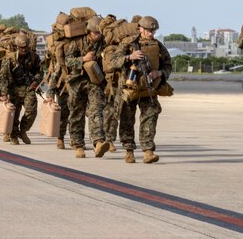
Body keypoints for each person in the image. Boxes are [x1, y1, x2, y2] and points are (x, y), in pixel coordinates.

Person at [116, 15, 172, 164]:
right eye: (148, 31)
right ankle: (129, 150)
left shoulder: (158, 45)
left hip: (149, 88)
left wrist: (159, 73)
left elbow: (168, 64)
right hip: (130, 87)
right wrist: (129, 57)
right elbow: (112, 62)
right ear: (140, 28)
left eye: (153, 31)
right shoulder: (128, 43)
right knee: (127, 119)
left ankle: (148, 151)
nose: (151, 34)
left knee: (150, 117)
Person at [60, 16, 111, 158]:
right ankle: (78, 145)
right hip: (77, 81)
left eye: (99, 33)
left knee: (96, 110)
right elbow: (68, 61)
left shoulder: (104, 43)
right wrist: (83, 59)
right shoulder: (77, 43)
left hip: (95, 82)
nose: (98, 35)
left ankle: (98, 142)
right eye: (95, 33)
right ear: (89, 32)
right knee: (77, 113)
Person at [0, 32, 41, 145]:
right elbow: (3, 76)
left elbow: (39, 71)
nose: (23, 50)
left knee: (31, 111)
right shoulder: (10, 58)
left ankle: (23, 131)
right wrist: (4, 93)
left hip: (28, 88)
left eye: (25, 47)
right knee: (14, 113)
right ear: (17, 47)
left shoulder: (34, 57)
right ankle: (14, 135)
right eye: (21, 48)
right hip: (13, 89)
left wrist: (36, 81)